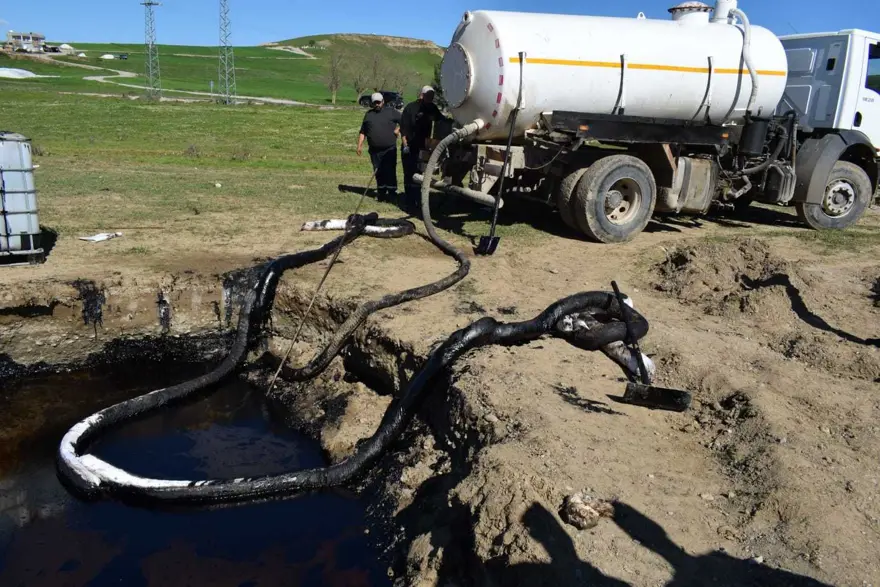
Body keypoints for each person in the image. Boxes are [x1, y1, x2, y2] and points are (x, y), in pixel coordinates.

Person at [400, 86, 448, 209]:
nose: (431, 98)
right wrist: (405, 144)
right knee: (409, 172)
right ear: (422, 95)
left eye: (432, 96)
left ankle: (417, 198)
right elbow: (404, 128)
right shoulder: (411, 108)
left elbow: (441, 119)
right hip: (410, 145)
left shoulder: (432, 108)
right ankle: (409, 200)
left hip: (423, 146)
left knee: (420, 172)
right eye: (428, 95)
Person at [357, 92, 401, 202]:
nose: (377, 104)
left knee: (389, 170)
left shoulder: (391, 112)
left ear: (383, 102)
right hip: (374, 150)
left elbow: (405, 121)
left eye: (379, 102)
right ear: (372, 103)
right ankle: (381, 192)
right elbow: (363, 132)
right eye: (375, 102)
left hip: (389, 148)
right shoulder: (368, 115)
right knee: (378, 171)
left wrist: (398, 129)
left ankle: (391, 192)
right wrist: (359, 146)